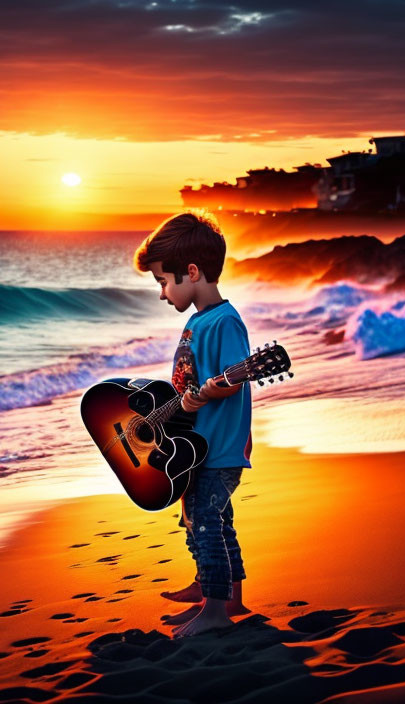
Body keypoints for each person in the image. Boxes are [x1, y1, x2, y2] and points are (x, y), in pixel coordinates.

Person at [133, 210, 253, 638]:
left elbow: (233, 378)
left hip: (219, 447)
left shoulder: (224, 322)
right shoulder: (199, 320)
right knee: (207, 520)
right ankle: (218, 592)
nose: (163, 294)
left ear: (192, 271)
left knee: (205, 520)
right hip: (197, 445)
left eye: (163, 282)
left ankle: (216, 608)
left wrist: (204, 392)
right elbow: (189, 384)